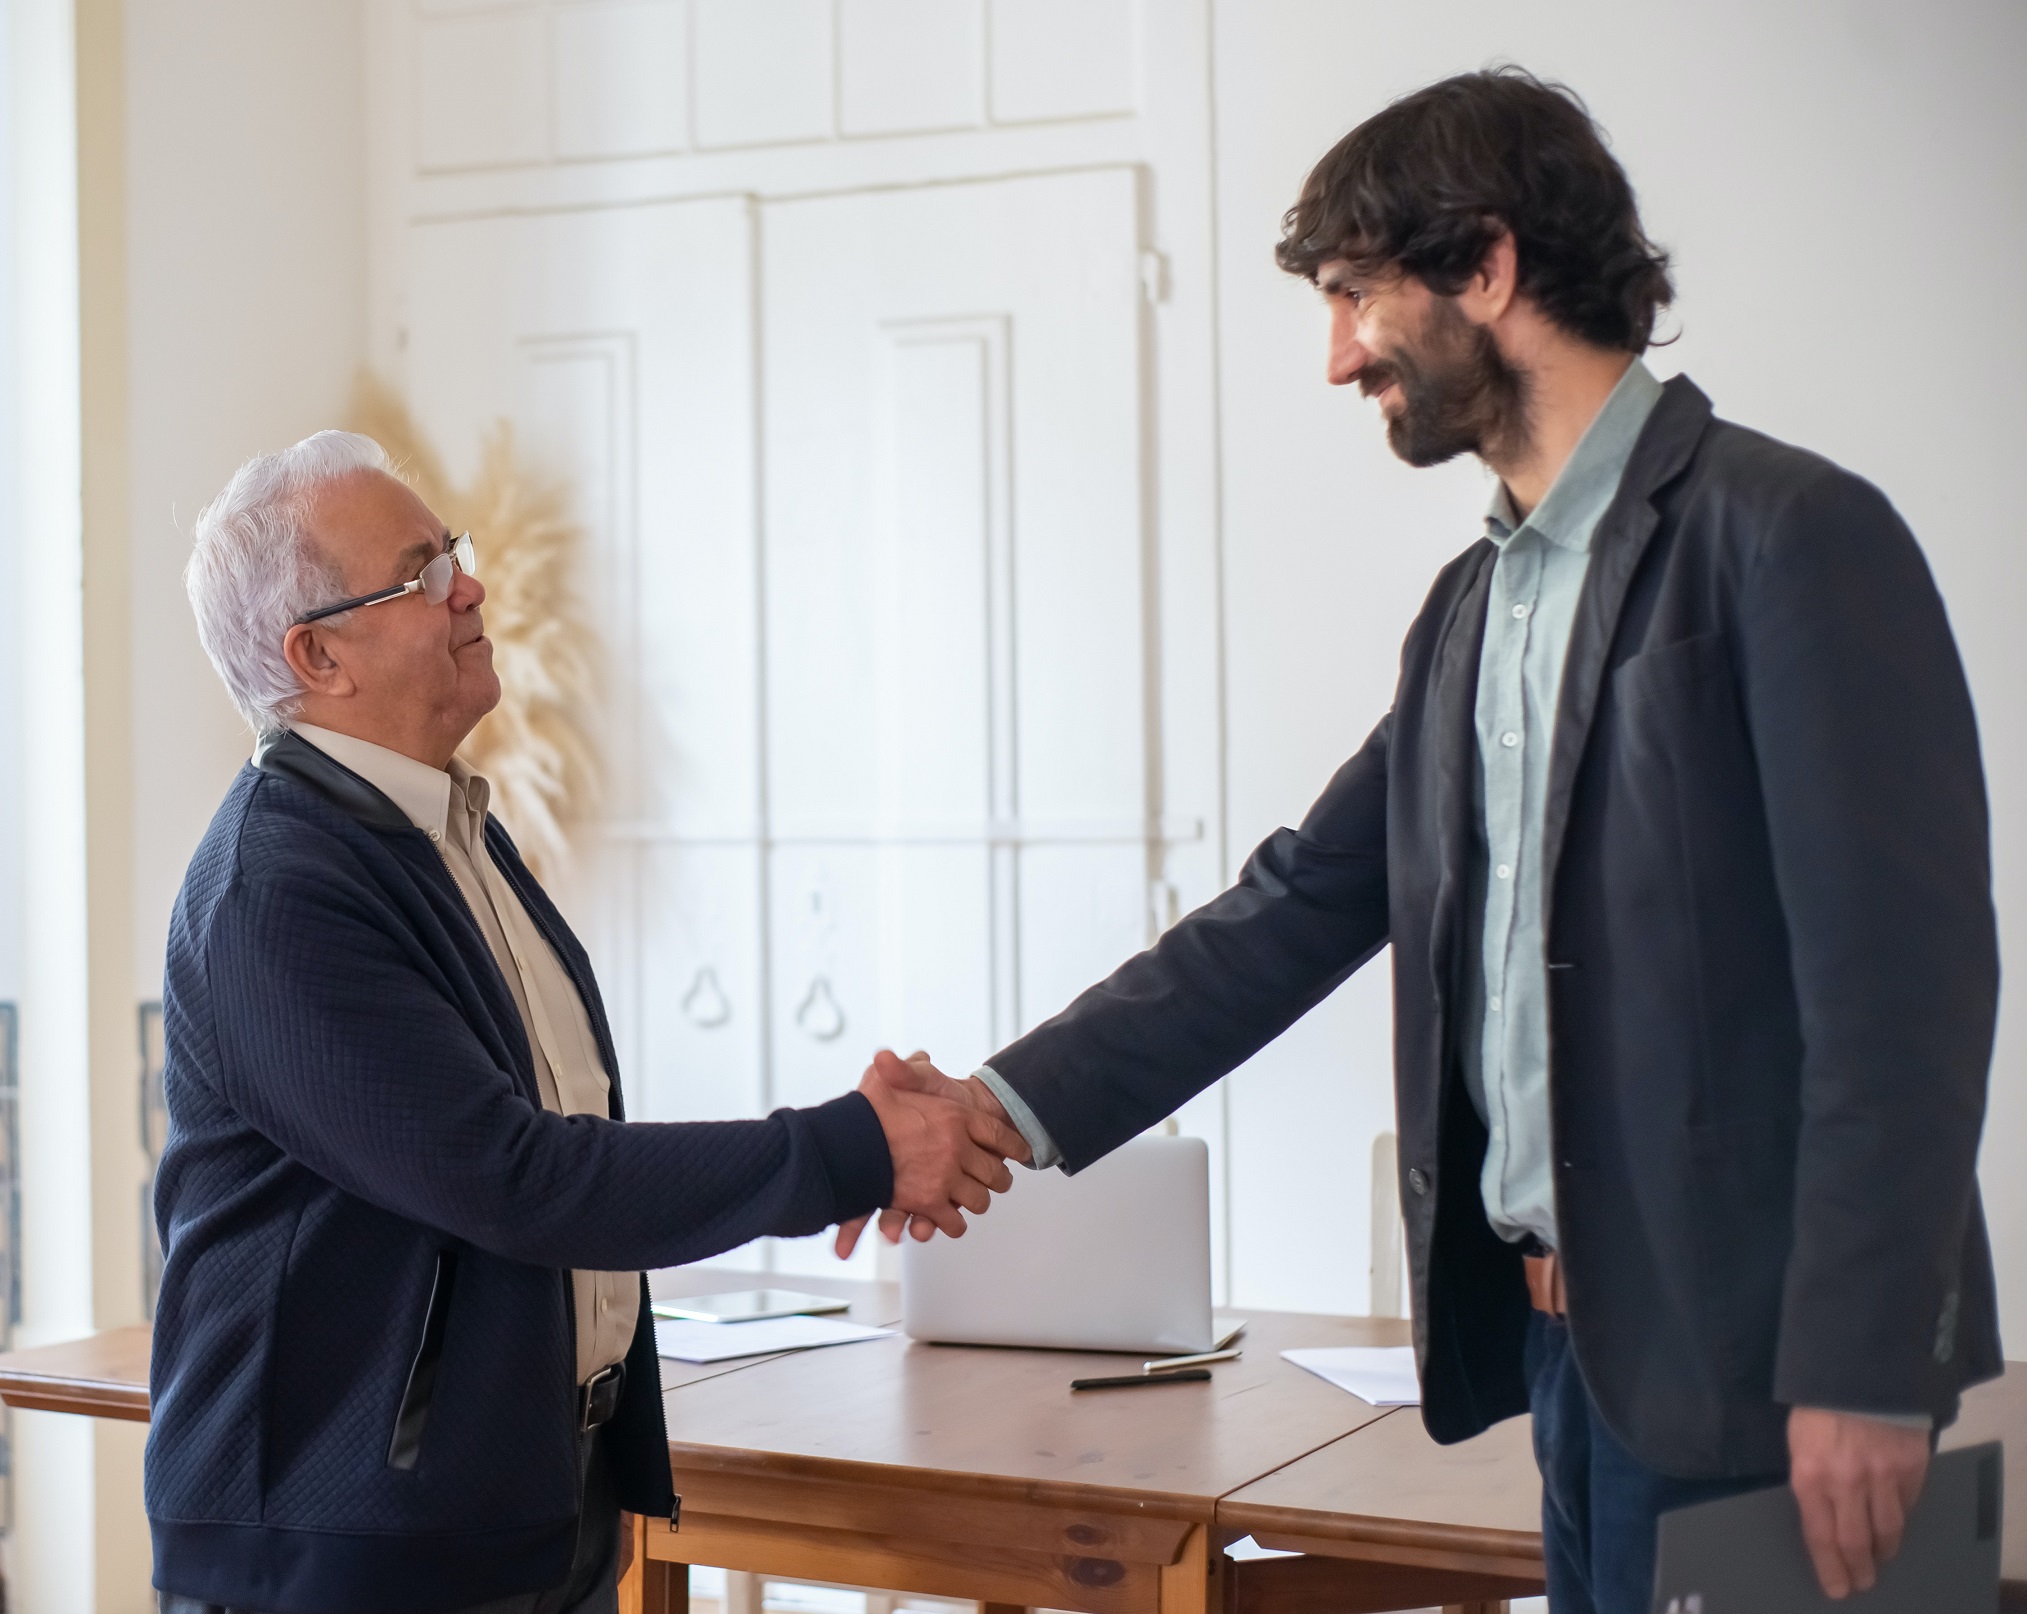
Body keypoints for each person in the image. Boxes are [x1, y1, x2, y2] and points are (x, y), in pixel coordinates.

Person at [841, 68, 2001, 1613]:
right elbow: (1290, 910)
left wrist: (1860, 1368)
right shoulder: (1468, 615)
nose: (1336, 358)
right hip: (1571, 1366)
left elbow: (1899, 1002)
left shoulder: (1788, 539)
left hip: (1766, 1380)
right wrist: (995, 1103)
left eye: (1352, 295)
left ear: (1486, 266)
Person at [151, 430, 1029, 1614]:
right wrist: (858, 1148)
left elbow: (550, 1141)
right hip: (345, 1555)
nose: (468, 585)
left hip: (527, 1506)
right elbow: (515, 1179)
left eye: (448, 551)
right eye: (420, 574)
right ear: (318, 656)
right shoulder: (278, 885)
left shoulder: (447, 832)